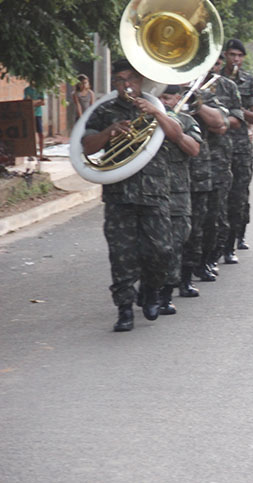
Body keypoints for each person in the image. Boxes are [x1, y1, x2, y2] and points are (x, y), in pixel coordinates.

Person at [80, 60, 183, 331]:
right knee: (121, 255)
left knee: (161, 250)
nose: (126, 85)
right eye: (120, 80)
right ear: (114, 83)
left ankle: (150, 290)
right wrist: (108, 132)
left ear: (141, 82)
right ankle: (124, 309)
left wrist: (157, 113)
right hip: (119, 196)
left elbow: (177, 135)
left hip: (155, 193)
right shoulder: (104, 111)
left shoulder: (156, 106)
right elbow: (87, 147)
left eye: (132, 79)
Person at [155, 85, 202, 314]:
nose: (162, 102)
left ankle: (166, 294)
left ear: (177, 99)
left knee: (173, 246)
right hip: (148, 194)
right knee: (149, 247)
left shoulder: (185, 120)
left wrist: (167, 123)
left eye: (167, 97)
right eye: (159, 97)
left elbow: (193, 149)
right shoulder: (142, 121)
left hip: (176, 195)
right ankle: (149, 290)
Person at [179, 83, 228, 297]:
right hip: (163, 174)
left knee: (198, 228)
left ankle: (188, 275)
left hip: (198, 171)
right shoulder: (153, 93)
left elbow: (220, 123)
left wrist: (196, 104)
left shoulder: (202, 94)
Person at [200, 56, 244, 281]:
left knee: (215, 214)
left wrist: (204, 112)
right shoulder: (177, 86)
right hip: (182, 163)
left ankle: (210, 257)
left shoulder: (227, 86)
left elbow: (234, 120)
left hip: (217, 158)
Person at [220, 38, 253, 262]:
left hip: (241, 146)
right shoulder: (214, 81)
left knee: (239, 195)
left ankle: (234, 241)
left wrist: (235, 110)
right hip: (217, 146)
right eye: (232, 54)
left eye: (239, 56)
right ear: (225, 55)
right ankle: (218, 242)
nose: (235, 59)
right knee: (218, 198)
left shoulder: (249, 81)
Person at [23, 82, 50, 161]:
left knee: (40, 134)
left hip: (38, 114)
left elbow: (43, 102)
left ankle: (41, 154)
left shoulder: (40, 89)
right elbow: (27, 102)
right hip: (30, 114)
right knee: (30, 135)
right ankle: (30, 154)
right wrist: (37, 101)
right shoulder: (27, 90)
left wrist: (32, 102)